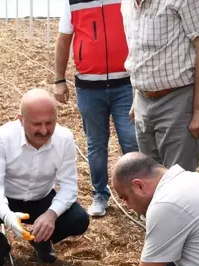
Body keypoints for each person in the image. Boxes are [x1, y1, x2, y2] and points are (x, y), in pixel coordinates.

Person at [0, 89, 90, 266]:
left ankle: (41, 239)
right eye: (36, 124)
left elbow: (69, 186)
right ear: (21, 120)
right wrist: (7, 216)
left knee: (78, 219)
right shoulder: (2, 137)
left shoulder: (64, 138)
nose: (44, 130)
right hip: (7, 198)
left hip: (42, 199)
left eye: (50, 123)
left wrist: (51, 215)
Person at [54, 0, 138, 217]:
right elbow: (64, 40)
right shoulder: (73, 2)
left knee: (131, 139)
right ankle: (100, 195)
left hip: (125, 84)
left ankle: (138, 197)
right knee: (96, 144)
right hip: (89, 87)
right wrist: (59, 80)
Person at [121, 0, 199, 171]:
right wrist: (136, 97)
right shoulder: (128, 3)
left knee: (178, 181)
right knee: (150, 178)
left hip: (178, 100)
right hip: (143, 99)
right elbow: (137, 50)